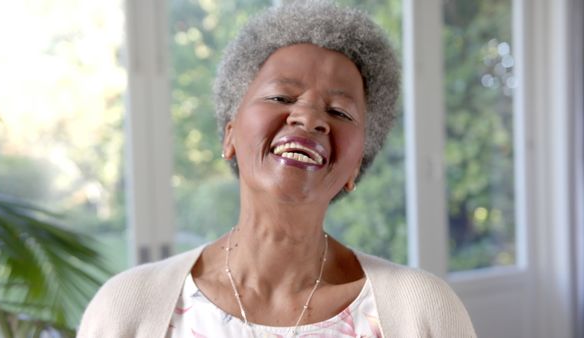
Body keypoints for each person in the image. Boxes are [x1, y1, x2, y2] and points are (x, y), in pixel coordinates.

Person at [78, 1, 477, 337]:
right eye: (281, 96)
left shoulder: (422, 311)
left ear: (357, 165)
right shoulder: (128, 309)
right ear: (230, 135)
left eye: (338, 111)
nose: (308, 117)